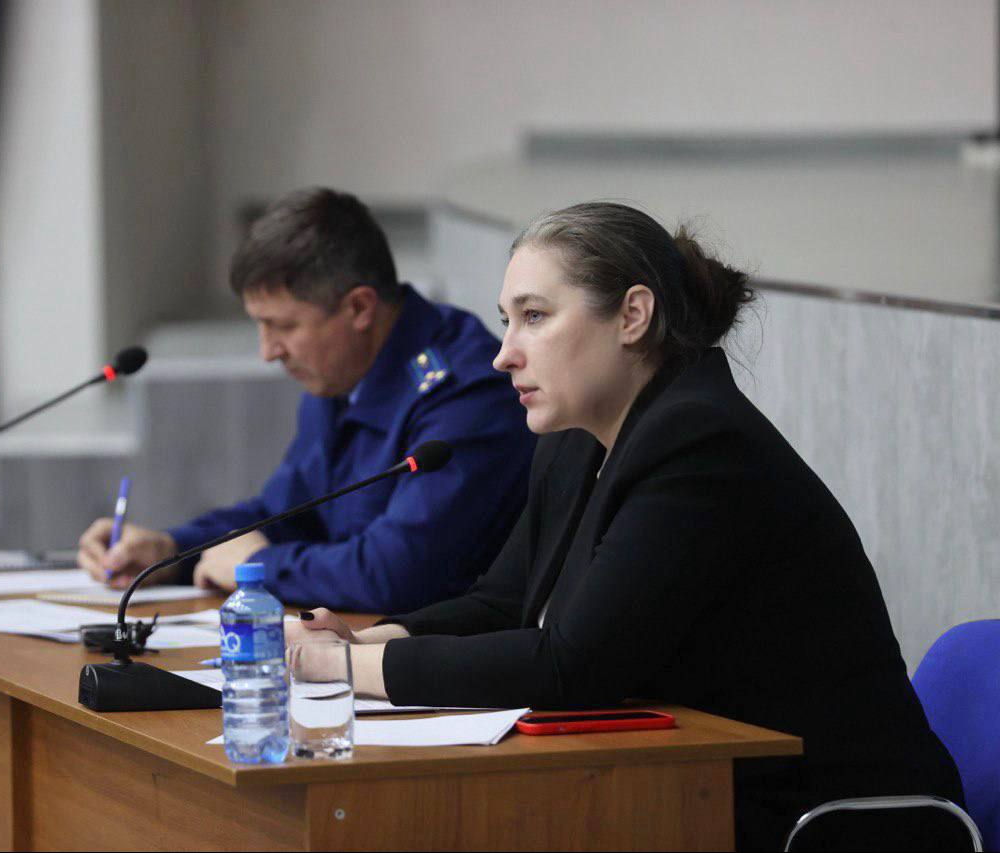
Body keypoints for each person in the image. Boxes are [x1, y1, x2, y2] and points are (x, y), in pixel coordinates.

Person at [291, 202, 964, 849]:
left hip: (822, 818)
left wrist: (347, 668)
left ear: (633, 316)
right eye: (506, 321)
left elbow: (570, 666)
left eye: (534, 316)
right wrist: (365, 637)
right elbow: (502, 602)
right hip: (687, 789)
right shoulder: (576, 438)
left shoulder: (700, 442)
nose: (505, 354)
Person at [77, 187, 534, 613]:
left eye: (284, 326)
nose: (268, 351)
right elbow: (287, 514)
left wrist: (258, 568)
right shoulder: (342, 374)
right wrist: (171, 551)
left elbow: (398, 571)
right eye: (260, 325)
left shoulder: (465, 394)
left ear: (359, 308)